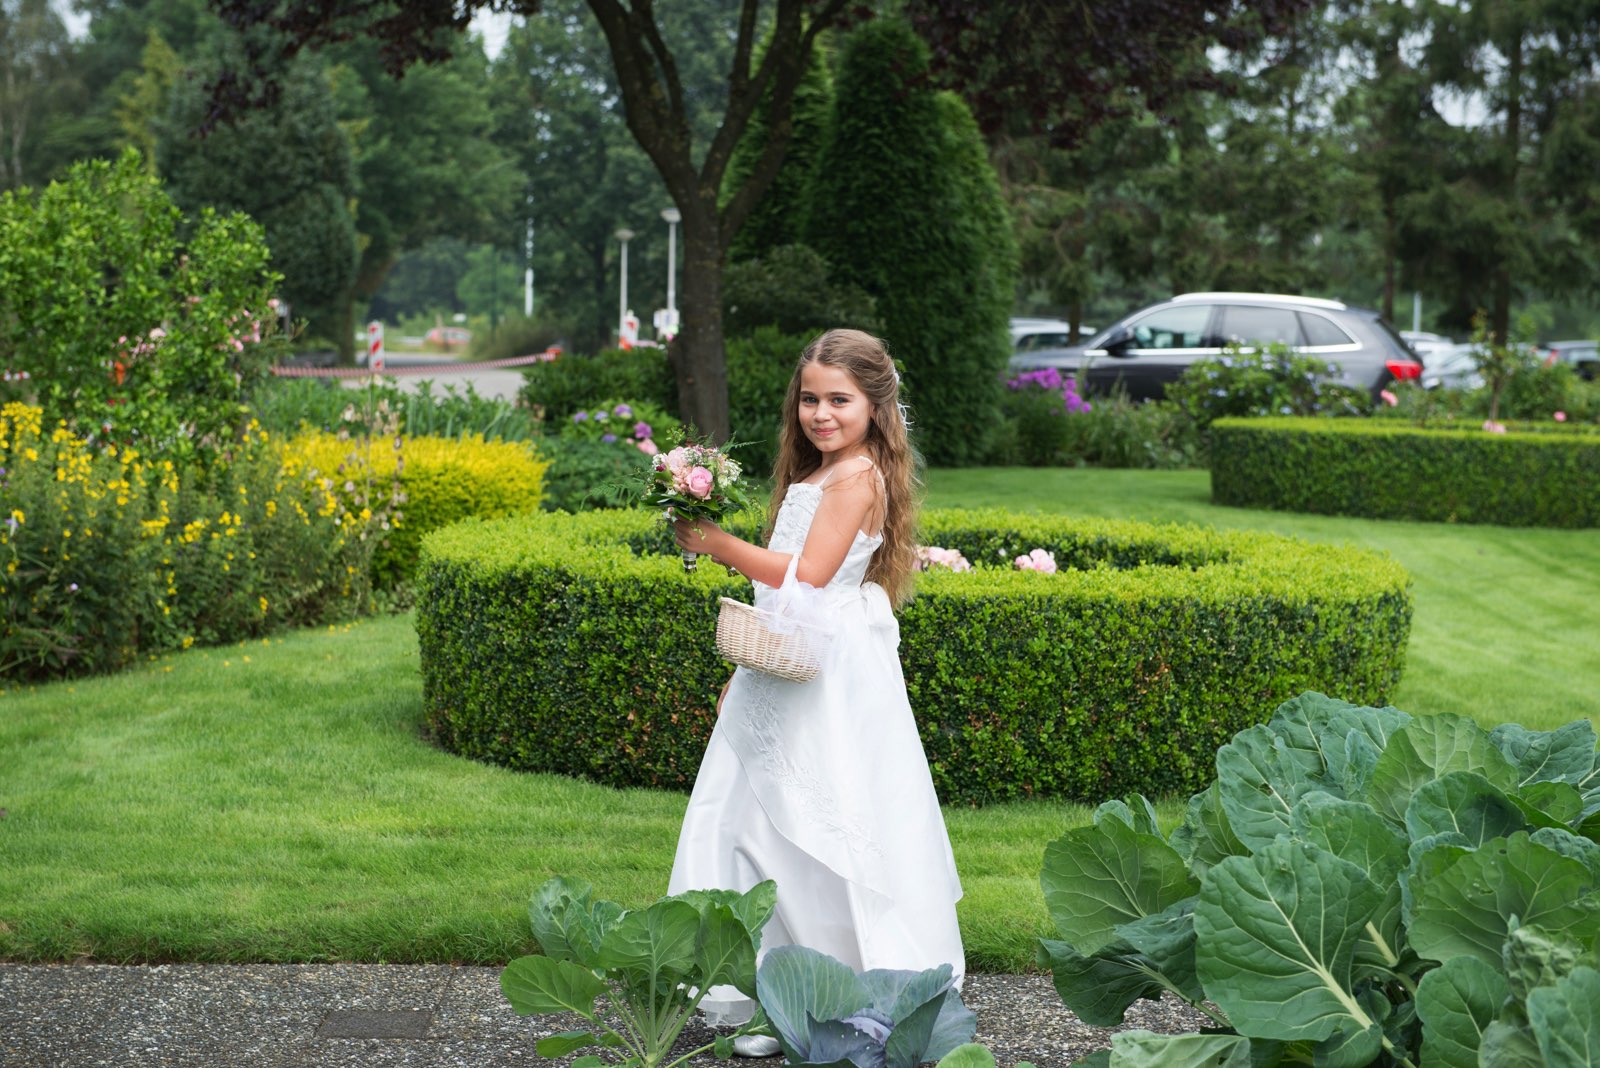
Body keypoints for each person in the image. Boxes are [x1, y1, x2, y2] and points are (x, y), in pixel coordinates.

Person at [668, 329, 964, 1057]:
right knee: (750, 815)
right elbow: (783, 600)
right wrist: (746, 673)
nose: (821, 413)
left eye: (840, 400)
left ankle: (834, 985)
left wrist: (716, 544)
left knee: (814, 816)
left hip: (827, 677)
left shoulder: (858, 476)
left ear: (875, 407)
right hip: (790, 659)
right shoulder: (816, 473)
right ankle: (767, 982)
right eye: (810, 398)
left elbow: (807, 574)